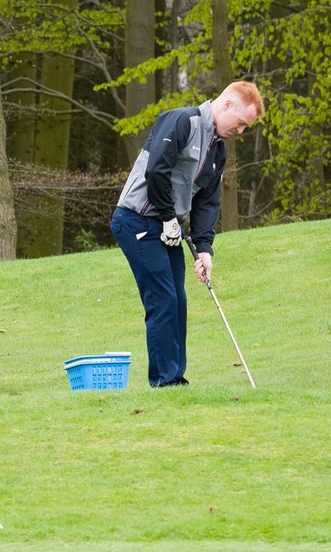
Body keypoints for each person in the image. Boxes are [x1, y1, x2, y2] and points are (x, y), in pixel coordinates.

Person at [110, 80, 264, 387]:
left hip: (168, 227)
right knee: (163, 298)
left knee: (178, 299)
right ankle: (164, 381)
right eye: (242, 124)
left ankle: (175, 377)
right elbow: (157, 170)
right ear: (228, 105)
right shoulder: (183, 120)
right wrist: (169, 217)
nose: (241, 131)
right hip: (136, 220)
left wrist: (205, 248)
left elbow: (207, 201)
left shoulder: (218, 150)